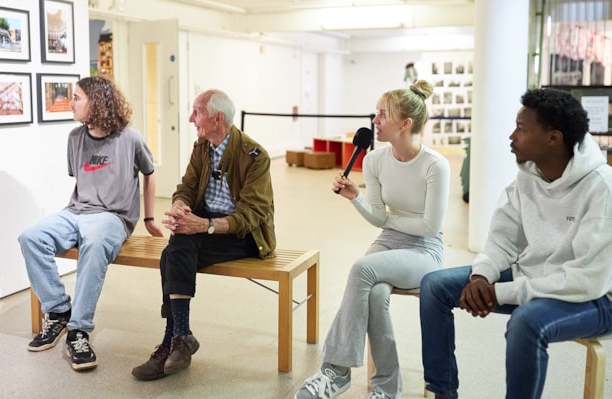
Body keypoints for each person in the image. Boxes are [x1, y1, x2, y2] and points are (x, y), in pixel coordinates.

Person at [419, 87, 612, 399]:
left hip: (596, 297)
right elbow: (502, 239)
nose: (512, 136)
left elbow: (585, 280)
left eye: (522, 129)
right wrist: (482, 276)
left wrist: (500, 292)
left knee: (526, 322)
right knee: (434, 286)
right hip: (535, 278)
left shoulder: (602, 188)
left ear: (554, 137)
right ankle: (444, 393)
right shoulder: (527, 177)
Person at [295, 80, 450, 399]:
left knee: (362, 269)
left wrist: (390, 218)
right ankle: (387, 387)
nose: (375, 121)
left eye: (382, 114)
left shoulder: (436, 165)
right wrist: (356, 198)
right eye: (376, 113)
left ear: (405, 124)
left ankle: (335, 371)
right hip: (389, 240)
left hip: (425, 250)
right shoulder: (374, 160)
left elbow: (429, 226)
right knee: (375, 295)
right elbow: (380, 219)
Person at [18, 76, 163, 371]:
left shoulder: (130, 138)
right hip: (75, 212)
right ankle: (58, 311)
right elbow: (81, 181)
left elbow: (149, 173)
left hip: (114, 216)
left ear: (96, 102)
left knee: (94, 244)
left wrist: (148, 218)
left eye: (77, 97)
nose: (70, 103)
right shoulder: (74, 138)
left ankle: (79, 330)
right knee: (30, 238)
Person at [131, 88, 276, 380]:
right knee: (177, 245)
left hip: (242, 235)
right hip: (205, 226)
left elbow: (251, 215)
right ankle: (180, 338)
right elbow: (186, 187)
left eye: (196, 112)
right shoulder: (202, 147)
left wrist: (205, 225)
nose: (189, 118)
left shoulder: (255, 156)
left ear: (217, 118)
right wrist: (180, 208)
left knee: (173, 251)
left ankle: (172, 339)